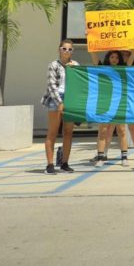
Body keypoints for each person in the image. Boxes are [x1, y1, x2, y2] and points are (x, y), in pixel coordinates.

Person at [90, 49, 134, 167]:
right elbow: (93, 54)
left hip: (119, 102)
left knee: (121, 130)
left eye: (116, 57)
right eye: (112, 57)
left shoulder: (124, 68)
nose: (114, 59)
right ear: (108, 59)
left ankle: (124, 157)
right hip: (105, 103)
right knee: (103, 130)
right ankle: (101, 157)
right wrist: (90, 39)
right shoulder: (102, 68)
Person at [42, 39, 80, 174]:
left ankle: (65, 163)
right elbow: (51, 86)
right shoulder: (53, 65)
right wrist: (60, 103)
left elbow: (79, 85)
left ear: (72, 51)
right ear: (59, 49)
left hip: (70, 100)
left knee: (68, 132)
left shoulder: (75, 65)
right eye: (64, 48)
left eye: (70, 49)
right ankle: (50, 165)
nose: (67, 51)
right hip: (55, 99)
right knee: (52, 132)